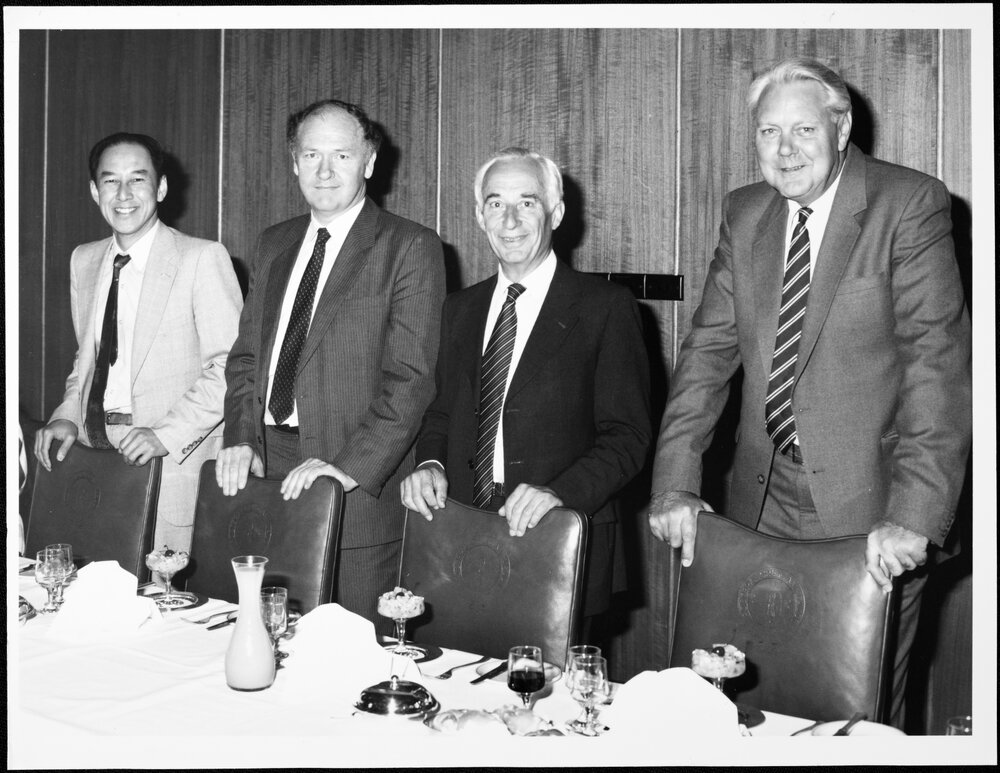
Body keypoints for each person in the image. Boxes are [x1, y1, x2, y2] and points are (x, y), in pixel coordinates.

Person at [647, 58, 971, 726]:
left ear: (842, 127)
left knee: (856, 718)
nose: (786, 149)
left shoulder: (908, 203)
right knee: (745, 703)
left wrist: (914, 513)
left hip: (870, 512)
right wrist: (675, 482)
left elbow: (936, 370)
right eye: (769, 132)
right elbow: (706, 355)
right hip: (758, 501)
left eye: (803, 129)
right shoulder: (745, 212)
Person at [401, 147, 651, 634]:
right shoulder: (459, 309)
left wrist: (559, 493)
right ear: (480, 216)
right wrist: (430, 462)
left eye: (527, 203)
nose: (510, 220)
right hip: (462, 533)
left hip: (558, 537)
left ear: (556, 213)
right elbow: (441, 412)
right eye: (496, 203)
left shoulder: (605, 308)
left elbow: (629, 437)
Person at [217, 99, 445, 631]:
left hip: (354, 488)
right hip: (267, 476)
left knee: (352, 654)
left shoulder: (409, 246)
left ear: (369, 162)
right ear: (293, 162)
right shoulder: (274, 243)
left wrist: (346, 469)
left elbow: (411, 381)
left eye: (341, 155)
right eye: (311, 155)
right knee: (269, 638)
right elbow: (247, 357)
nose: (325, 170)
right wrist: (242, 437)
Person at [34, 132, 243, 553]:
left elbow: (232, 369)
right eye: (111, 180)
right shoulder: (84, 259)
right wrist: (67, 416)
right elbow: (88, 360)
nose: (124, 194)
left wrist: (164, 434)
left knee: (162, 590)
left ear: (161, 188)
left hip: (168, 465)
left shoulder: (202, 258)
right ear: (95, 191)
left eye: (138, 179)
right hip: (94, 456)